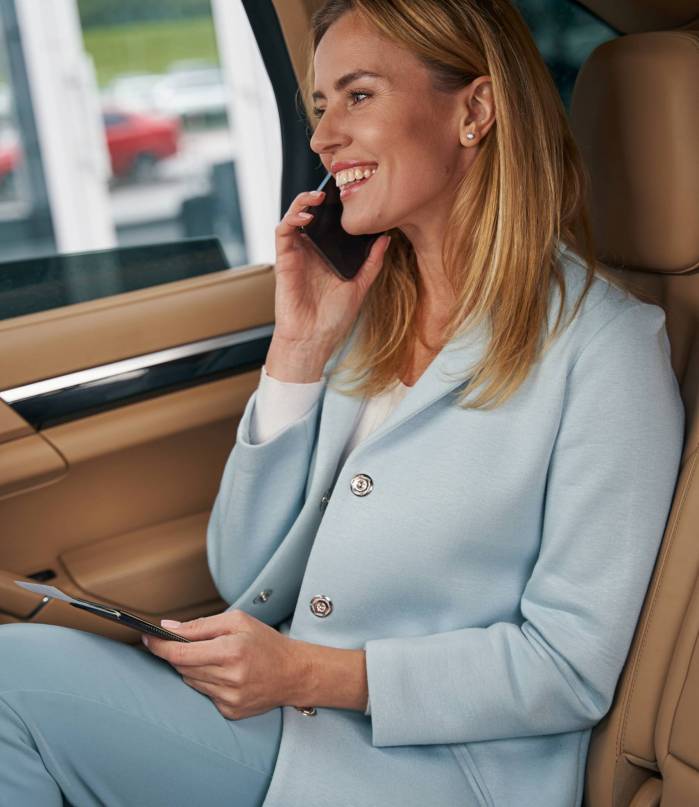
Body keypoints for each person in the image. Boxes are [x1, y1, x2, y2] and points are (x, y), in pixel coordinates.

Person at [0, 1, 684, 805]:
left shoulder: (607, 351)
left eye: (357, 96)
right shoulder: (367, 316)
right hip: (297, 723)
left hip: (433, 773)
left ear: (474, 110)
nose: (323, 139)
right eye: (320, 107)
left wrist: (309, 671)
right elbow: (241, 571)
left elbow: (567, 668)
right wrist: (298, 350)